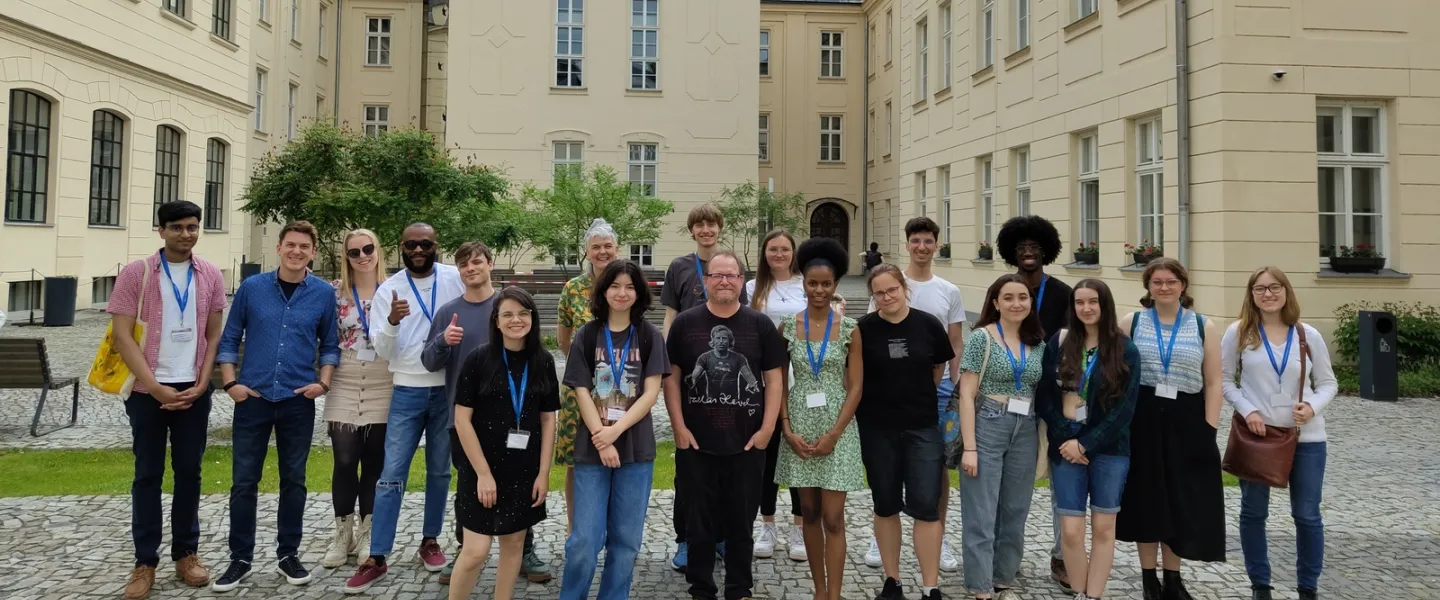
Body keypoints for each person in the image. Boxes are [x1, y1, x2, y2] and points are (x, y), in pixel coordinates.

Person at [110, 200, 228, 600]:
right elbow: (123, 336)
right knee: (147, 475)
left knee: (190, 474)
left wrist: (202, 379)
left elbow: (215, 333)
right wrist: (155, 386)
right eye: (176, 227)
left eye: (192, 226)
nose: (186, 234)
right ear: (161, 230)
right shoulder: (137, 273)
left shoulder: (210, 273)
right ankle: (145, 561)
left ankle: (187, 554)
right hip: (148, 391)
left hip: (193, 389)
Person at [214, 221, 340, 592]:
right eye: (291, 245)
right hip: (252, 398)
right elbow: (230, 337)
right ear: (279, 247)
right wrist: (231, 383)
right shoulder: (253, 289)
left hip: (296, 400)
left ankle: (289, 554)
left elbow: (330, 344)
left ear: (313, 252)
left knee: (294, 481)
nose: (297, 251)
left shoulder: (321, 294)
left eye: (304, 246)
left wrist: (324, 383)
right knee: (243, 481)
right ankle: (240, 558)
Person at [345, 223, 465, 594]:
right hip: (407, 391)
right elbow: (383, 350)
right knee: (391, 474)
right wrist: (394, 322)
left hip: (446, 391)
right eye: (411, 244)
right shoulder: (390, 288)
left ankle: (430, 540)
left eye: (425, 243)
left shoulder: (453, 278)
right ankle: (377, 556)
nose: (418, 249)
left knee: (440, 472)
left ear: (435, 245)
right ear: (401, 247)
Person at [665, 251, 786, 600]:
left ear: (740, 280)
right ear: (705, 281)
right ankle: (701, 588)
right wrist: (678, 426)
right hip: (697, 443)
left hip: (746, 444)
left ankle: (739, 588)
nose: (724, 281)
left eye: (731, 276)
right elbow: (673, 378)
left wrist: (766, 430)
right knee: (698, 523)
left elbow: (772, 380)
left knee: (741, 523)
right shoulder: (686, 325)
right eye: (717, 275)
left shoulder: (758, 325)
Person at [1221, 267, 1337, 600]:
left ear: (1286, 291)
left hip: (1307, 437)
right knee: (1254, 512)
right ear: (1251, 294)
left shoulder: (1307, 335)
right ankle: (1261, 585)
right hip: (1258, 437)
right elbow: (1225, 380)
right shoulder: (1240, 332)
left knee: (1307, 514)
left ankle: (1307, 587)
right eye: (1259, 289)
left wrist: (1312, 406)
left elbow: (1328, 383)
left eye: (1274, 287)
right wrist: (1249, 410)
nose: (1267, 294)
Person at [1115, 258, 1225, 600]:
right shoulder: (1131, 322)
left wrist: (1209, 426)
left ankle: (1173, 578)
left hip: (1186, 416)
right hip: (1142, 418)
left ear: (1183, 285)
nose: (1164, 287)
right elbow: (1115, 373)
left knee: (1180, 498)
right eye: (1157, 282)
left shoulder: (1203, 325)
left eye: (1171, 281)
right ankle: (1149, 579)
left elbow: (1214, 379)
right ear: (1148, 287)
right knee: (1147, 498)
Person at [560, 260, 670, 600]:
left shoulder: (649, 335)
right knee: (584, 539)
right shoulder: (588, 334)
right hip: (593, 449)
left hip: (636, 449)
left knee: (626, 541)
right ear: (603, 291)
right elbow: (580, 389)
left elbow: (651, 393)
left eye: (630, 287)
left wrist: (616, 431)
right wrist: (601, 438)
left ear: (639, 293)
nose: (622, 293)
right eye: (615, 286)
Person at [864, 216, 965, 572]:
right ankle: (884, 538)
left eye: (928, 241)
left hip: (933, 391)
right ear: (907, 244)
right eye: (916, 241)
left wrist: (947, 388)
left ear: (936, 244)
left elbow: (951, 345)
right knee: (886, 471)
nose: (922, 247)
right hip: (887, 399)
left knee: (935, 472)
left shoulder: (947, 290)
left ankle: (939, 533)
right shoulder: (887, 286)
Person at [447, 287, 559, 600]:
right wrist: (482, 473)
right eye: (507, 314)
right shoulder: (478, 359)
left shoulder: (544, 361)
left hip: (524, 470)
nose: (516, 320)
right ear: (496, 321)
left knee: (513, 546)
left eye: (523, 313)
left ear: (533, 318)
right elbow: (462, 421)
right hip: (481, 468)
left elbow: (549, 420)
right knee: (475, 552)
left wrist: (543, 473)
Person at [415, 241, 515, 584]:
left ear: (490, 262)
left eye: (476, 262)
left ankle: (522, 546)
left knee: (517, 478)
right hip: (464, 419)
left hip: (510, 414)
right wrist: (444, 340)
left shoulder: (507, 305)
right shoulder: (448, 312)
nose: (470, 269)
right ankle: (465, 548)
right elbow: (428, 361)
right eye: (463, 265)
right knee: (469, 484)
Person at [1036, 279, 1142, 600]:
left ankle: (1092, 595)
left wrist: (1086, 443)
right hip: (1066, 450)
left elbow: (1125, 409)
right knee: (1070, 532)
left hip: (1110, 451)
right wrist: (1069, 440)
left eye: (1092, 302)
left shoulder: (1125, 349)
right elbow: (1045, 398)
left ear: (1104, 305)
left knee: (1103, 528)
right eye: (1079, 302)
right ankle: (1080, 591)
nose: (1086, 308)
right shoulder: (1061, 342)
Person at [774, 238, 864, 600]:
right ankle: (818, 589)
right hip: (799, 424)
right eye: (813, 283)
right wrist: (786, 428)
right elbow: (778, 380)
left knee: (832, 517)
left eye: (827, 284)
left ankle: (836, 593)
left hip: (837, 426)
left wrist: (835, 433)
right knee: (808, 511)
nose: (819, 290)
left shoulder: (849, 328)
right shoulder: (786, 326)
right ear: (803, 284)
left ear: (835, 285)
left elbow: (856, 386)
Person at [661, 203, 749, 571]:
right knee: (690, 465)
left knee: (729, 462)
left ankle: (725, 536)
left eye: (712, 224)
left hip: (726, 378)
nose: (706, 229)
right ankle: (687, 539)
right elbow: (669, 316)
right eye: (699, 224)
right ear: (692, 230)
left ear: (719, 228)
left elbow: (742, 319)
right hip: (692, 375)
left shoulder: (731, 267)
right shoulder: (680, 268)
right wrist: (666, 367)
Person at [856, 264, 951, 600]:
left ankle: (930, 586)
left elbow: (937, 368)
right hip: (877, 428)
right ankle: (892, 580)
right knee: (885, 503)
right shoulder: (863, 329)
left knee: (926, 505)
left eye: (891, 290)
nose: (886, 297)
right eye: (879, 293)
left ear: (904, 287)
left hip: (922, 427)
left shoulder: (928, 325)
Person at [995, 214, 1074, 589]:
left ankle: (1062, 556)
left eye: (1034, 247)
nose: (1028, 252)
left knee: (1063, 482)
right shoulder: (1004, 291)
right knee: (1013, 488)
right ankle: (1007, 558)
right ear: (1012, 253)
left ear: (1046, 252)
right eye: (1021, 247)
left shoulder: (1063, 293)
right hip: (1013, 397)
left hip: (1056, 397)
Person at [956, 274, 1046, 600]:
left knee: (1015, 509)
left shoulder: (1038, 342)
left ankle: (1002, 575)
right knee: (981, 512)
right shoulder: (983, 338)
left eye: (1022, 297)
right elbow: (966, 394)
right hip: (988, 424)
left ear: (1030, 302)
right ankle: (981, 587)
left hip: (1026, 428)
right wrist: (970, 447)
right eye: (1008, 297)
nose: (1016, 303)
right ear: (995, 302)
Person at [321, 229, 393, 571]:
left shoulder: (394, 289)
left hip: (383, 379)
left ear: (378, 251)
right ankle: (342, 532)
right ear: (345, 257)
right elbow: (323, 336)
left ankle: (368, 532)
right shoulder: (333, 293)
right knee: (345, 458)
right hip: (345, 379)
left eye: (368, 249)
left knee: (374, 461)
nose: (362, 256)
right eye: (354, 252)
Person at [743, 229, 807, 562]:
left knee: (796, 453)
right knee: (765, 455)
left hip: (802, 380)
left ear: (793, 252)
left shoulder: (806, 284)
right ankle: (767, 523)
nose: (778, 254)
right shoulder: (753, 288)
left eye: (785, 249)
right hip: (764, 379)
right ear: (764, 253)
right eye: (773, 249)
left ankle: (799, 527)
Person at [556, 219, 621, 538]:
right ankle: (574, 527)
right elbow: (564, 338)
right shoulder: (573, 289)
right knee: (576, 458)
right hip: (580, 385)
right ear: (586, 252)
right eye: (596, 246)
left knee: (617, 454)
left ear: (617, 249)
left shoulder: (625, 285)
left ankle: (612, 528)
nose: (602, 251)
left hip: (620, 387)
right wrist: (585, 365)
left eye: (607, 245)